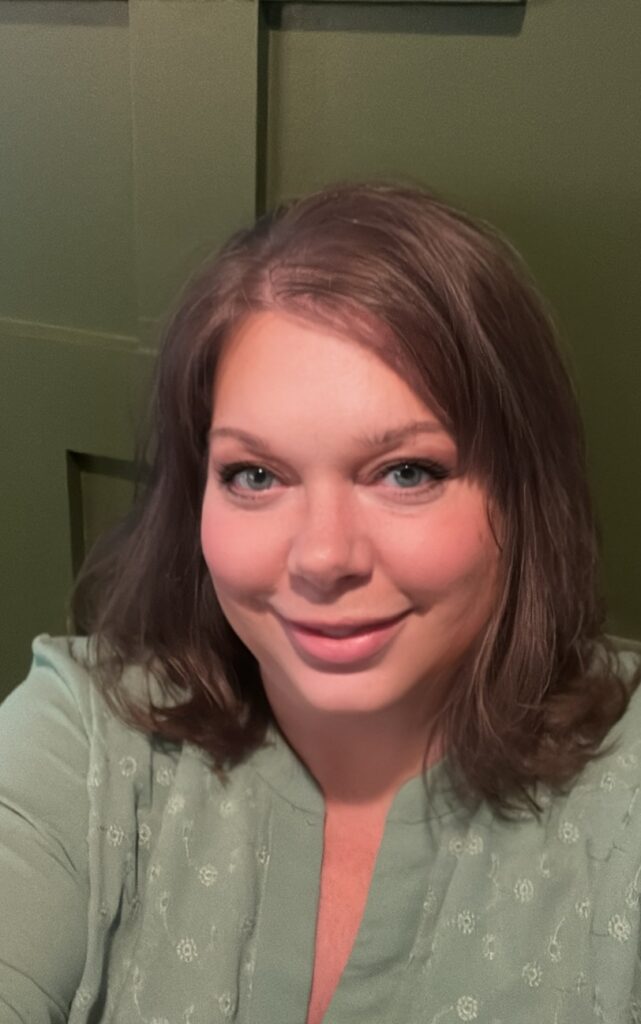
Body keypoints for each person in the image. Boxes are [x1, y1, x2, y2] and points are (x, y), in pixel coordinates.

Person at [1, 182, 640, 1024]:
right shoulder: (82, 737)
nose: (322, 558)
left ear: (522, 495)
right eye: (254, 476)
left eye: (405, 473)